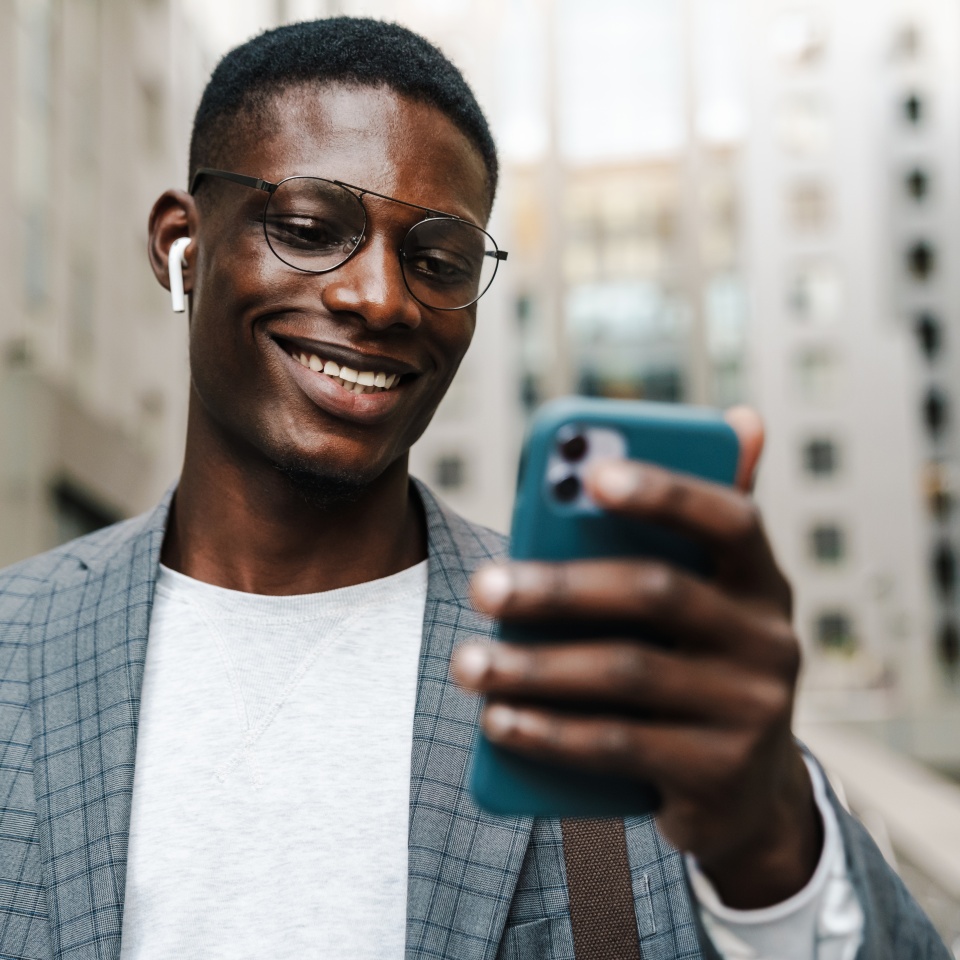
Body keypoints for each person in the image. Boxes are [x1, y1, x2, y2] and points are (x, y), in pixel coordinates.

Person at [0, 17, 947, 960]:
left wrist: (773, 848)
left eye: (438, 261)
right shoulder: (16, 646)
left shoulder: (600, 659)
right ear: (182, 243)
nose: (380, 297)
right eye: (309, 230)